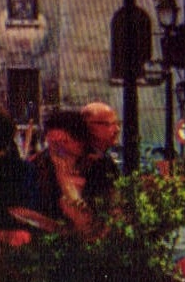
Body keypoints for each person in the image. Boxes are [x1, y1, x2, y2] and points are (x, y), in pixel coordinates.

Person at [25, 108, 102, 237]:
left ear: (80, 142)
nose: (57, 149)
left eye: (64, 142)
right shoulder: (37, 164)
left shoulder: (99, 166)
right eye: (52, 143)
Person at [80, 100, 121, 204]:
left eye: (117, 123)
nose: (117, 129)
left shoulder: (107, 161)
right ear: (88, 126)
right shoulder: (78, 159)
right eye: (109, 124)